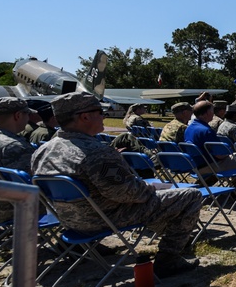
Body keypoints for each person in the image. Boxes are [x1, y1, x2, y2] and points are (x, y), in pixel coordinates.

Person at [32, 92, 201, 277]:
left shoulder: (43, 151)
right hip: (106, 218)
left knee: (161, 201)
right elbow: (128, 194)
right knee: (190, 195)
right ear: (84, 116)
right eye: (99, 111)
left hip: (69, 221)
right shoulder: (96, 152)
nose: (104, 116)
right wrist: (150, 188)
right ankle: (169, 259)